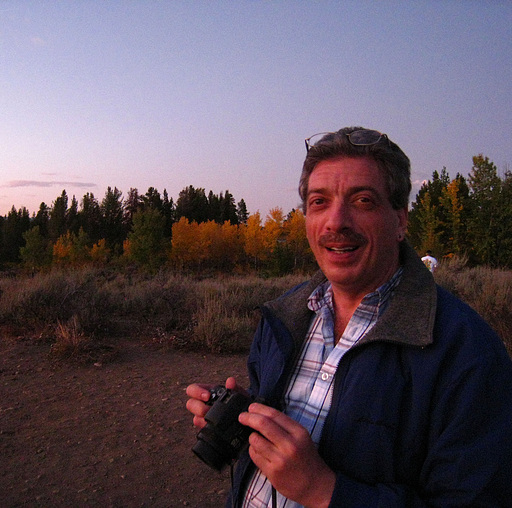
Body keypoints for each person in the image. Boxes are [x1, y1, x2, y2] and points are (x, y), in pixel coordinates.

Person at [186, 127, 512, 507]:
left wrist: (325, 491)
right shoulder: (282, 317)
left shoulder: (469, 355)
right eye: (319, 202)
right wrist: (245, 415)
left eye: (362, 201)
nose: (336, 221)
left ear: (401, 222)